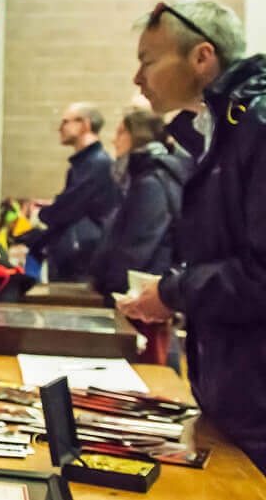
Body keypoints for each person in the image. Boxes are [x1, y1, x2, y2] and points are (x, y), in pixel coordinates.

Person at [117, 0, 266, 475]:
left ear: (202, 57)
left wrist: (174, 291)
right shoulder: (216, 132)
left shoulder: (256, 126)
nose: (138, 79)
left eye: (147, 61)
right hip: (237, 398)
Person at [89, 110, 188, 365]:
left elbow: (137, 246)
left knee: (156, 369)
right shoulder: (144, 176)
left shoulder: (152, 180)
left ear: (137, 136)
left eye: (121, 131)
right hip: (142, 296)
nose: (114, 139)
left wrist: (110, 288)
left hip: (144, 298)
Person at [24, 103, 120, 281]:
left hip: (81, 257)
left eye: (65, 122)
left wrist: (41, 214)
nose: (59, 128)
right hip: (75, 252)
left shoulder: (97, 163)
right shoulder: (85, 164)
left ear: (85, 125)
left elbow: (69, 207)